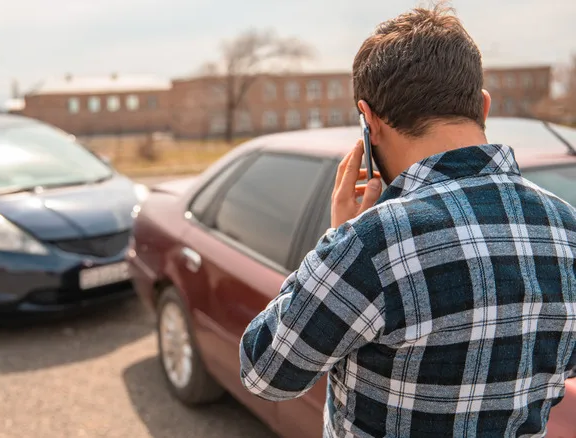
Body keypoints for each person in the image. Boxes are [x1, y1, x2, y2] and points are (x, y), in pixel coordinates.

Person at [239, 5, 576, 437]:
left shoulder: (372, 243)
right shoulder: (567, 230)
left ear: (369, 120)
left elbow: (265, 371)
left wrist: (337, 238)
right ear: (484, 106)